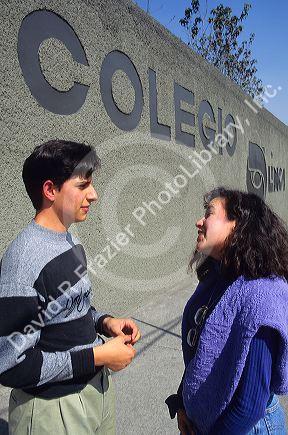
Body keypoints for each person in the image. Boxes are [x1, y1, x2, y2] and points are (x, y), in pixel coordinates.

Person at [0, 139, 140, 435]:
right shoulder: (23, 260)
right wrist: (99, 356)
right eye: (82, 185)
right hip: (52, 412)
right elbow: (11, 365)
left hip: (96, 392)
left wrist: (105, 322)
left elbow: (72, 307)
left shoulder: (71, 240)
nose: (94, 195)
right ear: (50, 190)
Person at [166, 187, 288, 434]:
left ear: (238, 225)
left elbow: (249, 405)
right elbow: (202, 353)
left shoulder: (261, 294)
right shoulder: (219, 276)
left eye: (209, 214)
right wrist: (182, 403)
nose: (199, 221)